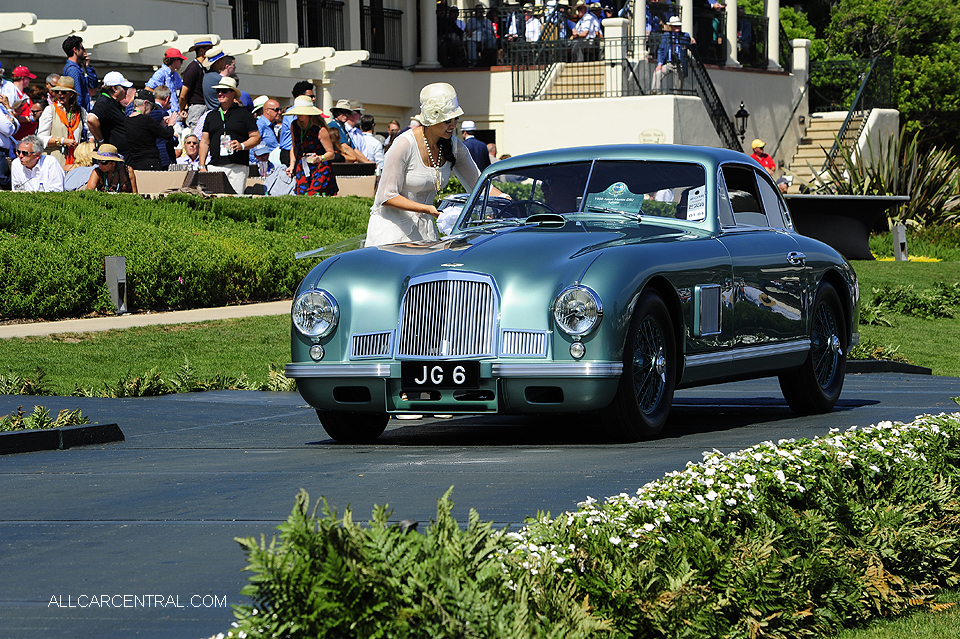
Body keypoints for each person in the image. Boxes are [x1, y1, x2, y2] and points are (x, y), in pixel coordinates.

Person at [365, 82, 505, 246]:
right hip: (391, 231)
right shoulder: (403, 144)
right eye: (447, 120)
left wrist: (505, 199)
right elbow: (385, 196)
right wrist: (427, 209)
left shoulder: (454, 145)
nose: (453, 125)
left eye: (455, 119)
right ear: (431, 120)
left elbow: (479, 184)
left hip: (426, 232)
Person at [199, 76, 260, 196]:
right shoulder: (211, 115)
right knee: (213, 202)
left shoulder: (244, 114)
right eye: (218, 91)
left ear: (233, 94)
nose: (220, 93)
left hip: (237, 167)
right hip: (214, 166)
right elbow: (204, 142)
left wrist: (242, 145)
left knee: (235, 202)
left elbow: (256, 137)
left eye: (224, 91)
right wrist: (202, 165)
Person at [285, 96, 337, 196]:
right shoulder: (294, 125)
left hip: (320, 167)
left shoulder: (320, 130)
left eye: (302, 112)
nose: (299, 115)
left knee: (314, 194)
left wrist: (320, 158)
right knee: (301, 194)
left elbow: (331, 153)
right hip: (303, 164)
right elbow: (294, 147)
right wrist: (292, 165)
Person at [37, 76, 88, 169]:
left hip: (76, 162)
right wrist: (62, 141)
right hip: (55, 162)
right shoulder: (50, 110)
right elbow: (40, 138)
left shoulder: (80, 111)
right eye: (57, 91)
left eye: (64, 92)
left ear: (72, 94)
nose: (60, 94)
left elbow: (91, 130)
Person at [125, 90, 177, 171]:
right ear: (145, 104)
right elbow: (168, 135)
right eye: (152, 108)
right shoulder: (146, 119)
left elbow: (146, 135)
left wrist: (162, 125)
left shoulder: (126, 121)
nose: (151, 111)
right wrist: (171, 124)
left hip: (135, 163)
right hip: (151, 163)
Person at [88, 71, 133, 154]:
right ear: (115, 89)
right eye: (124, 88)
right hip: (112, 156)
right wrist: (101, 142)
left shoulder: (113, 103)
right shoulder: (104, 102)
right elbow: (91, 119)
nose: (126, 92)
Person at [278, 81, 316, 166]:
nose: (313, 99)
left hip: (300, 152)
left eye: (314, 96)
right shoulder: (293, 113)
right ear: (300, 97)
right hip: (290, 153)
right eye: (311, 97)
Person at [179, 38, 214, 129]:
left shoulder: (203, 68)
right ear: (202, 51)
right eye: (209, 49)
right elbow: (183, 94)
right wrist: (181, 108)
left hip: (203, 107)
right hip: (197, 109)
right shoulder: (193, 68)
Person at [652, 16, 691, 93]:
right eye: (676, 26)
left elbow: (690, 46)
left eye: (679, 26)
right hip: (669, 63)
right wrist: (660, 64)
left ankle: (677, 97)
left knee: (677, 87)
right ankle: (656, 92)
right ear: (671, 26)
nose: (678, 28)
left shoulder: (685, 36)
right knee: (657, 73)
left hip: (679, 64)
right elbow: (661, 50)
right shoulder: (666, 36)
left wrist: (692, 42)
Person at [145, 47, 187, 114]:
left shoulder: (175, 74)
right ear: (175, 60)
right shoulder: (160, 73)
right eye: (181, 60)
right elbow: (148, 89)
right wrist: (163, 100)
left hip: (174, 113)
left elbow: (182, 86)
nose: (182, 63)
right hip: (165, 114)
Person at [3, 66, 38, 141]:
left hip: (26, 137)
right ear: (23, 78)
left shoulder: (25, 95)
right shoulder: (10, 94)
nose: (29, 81)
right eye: (29, 78)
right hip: (16, 138)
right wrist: (30, 119)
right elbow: (10, 116)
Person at [61, 35, 91, 111]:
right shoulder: (73, 70)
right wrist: (80, 114)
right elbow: (78, 96)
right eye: (82, 48)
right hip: (79, 114)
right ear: (75, 50)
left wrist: (87, 66)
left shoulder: (77, 68)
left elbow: (93, 85)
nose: (84, 52)